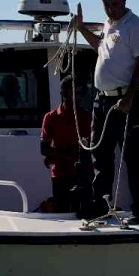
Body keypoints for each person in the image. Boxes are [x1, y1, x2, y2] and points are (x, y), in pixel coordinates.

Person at [72, 0, 139, 223]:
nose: (111, 9)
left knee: (133, 157)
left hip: (125, 100)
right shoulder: (109, 24)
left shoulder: (135, 26)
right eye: (106, 4)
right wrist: (81, 27)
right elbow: (100, 47)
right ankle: (101, 205)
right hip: (102, 100)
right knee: (100, 155)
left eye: (115, 4)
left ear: (124, 0)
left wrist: (128, 99)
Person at [40, 75, 94, 212]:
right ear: (64, 93)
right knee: (62, 210)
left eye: (82, 92)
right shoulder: (51, 117)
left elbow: (91, 146)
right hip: (59, 174)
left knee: (83, 211)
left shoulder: (87, 117)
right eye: (76, 91)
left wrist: (57, 154)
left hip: (83, 174)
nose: (80, 96)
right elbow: (44, 148)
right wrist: (69, 153)